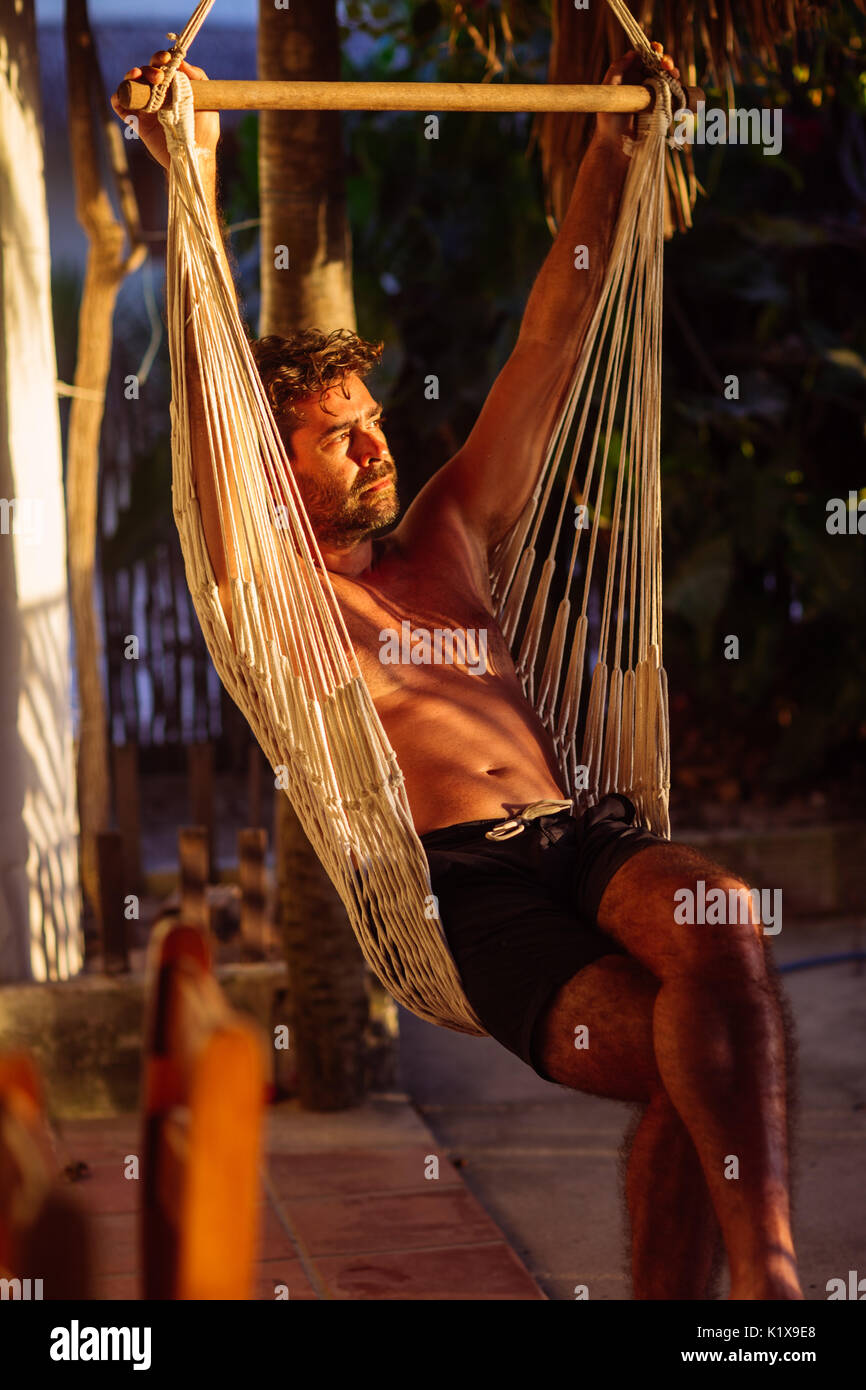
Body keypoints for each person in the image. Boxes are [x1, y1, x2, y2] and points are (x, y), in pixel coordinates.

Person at [113, 45, 802, 1301]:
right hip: (459, 895)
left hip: (582, 838)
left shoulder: (449, 532)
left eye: (373, 415)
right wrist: (193, 163)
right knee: (683, 1061)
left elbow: (553, 332)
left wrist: (611, 150)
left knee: (725, 948)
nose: (377, 441)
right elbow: (212, 404)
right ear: (280, 475)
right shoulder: (282, 598)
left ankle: (767, 1281)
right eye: (339, 439)